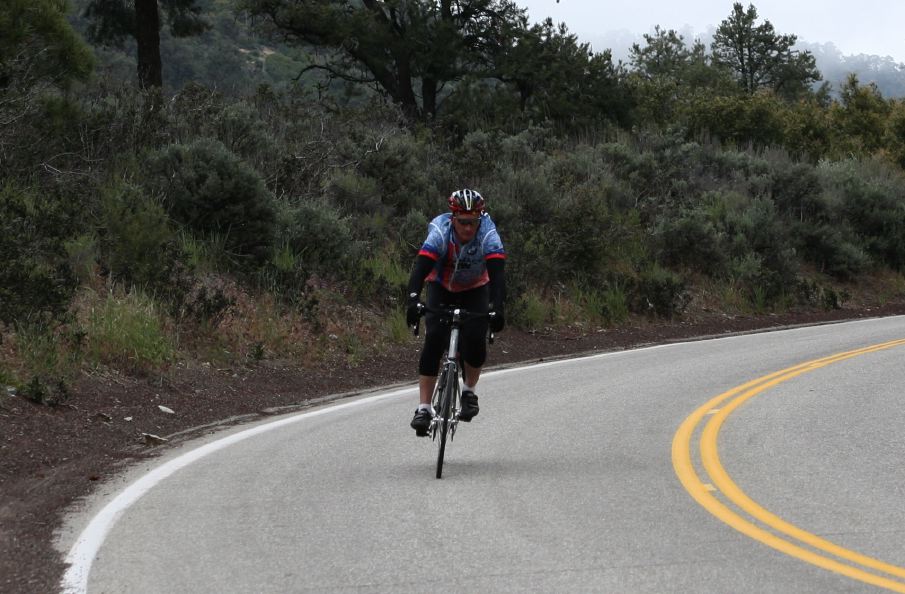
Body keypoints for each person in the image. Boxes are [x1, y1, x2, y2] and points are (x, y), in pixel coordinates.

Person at [405, 188, 506, 436]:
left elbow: (497, 274)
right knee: (434, 339)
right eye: (463, 223)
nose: (468, 229)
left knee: (475, 340)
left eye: (472, 223)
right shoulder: (440, 231)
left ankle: (469, 391)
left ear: (479, 219)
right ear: (453, 218)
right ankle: (424, 408)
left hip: (475, 288)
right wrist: (413, 299)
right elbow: (420, 267)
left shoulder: (488, 233)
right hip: (441, 286)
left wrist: (498, 307)